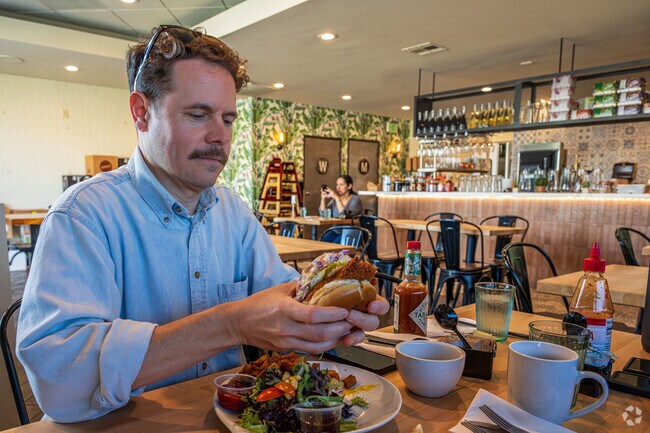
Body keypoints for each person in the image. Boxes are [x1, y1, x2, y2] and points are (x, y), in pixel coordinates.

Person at [16, 25, 389, 423]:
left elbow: (288, 310)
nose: (219, 137)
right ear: (142, 113)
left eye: (228, 120)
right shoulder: (84, 216)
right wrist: (232, 323)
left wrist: (325, 323)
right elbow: (59, 383)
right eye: (198, 114)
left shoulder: (235, 214)